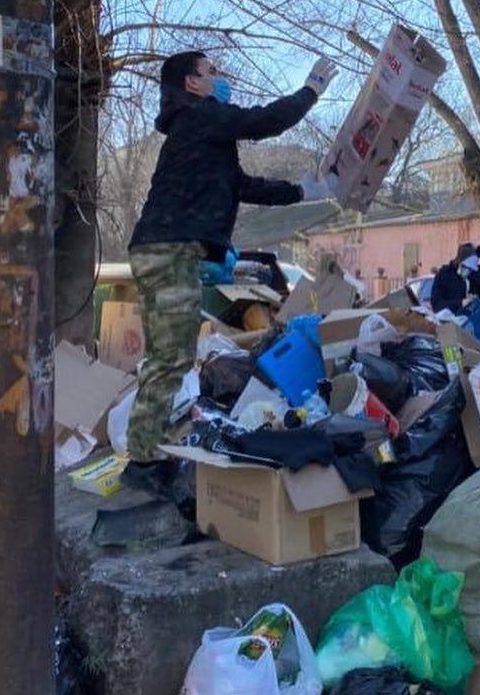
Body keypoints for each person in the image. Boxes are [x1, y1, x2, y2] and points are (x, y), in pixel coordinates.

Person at [125, 50, 337, 469]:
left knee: (171, 354)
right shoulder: (199, 116)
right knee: (171, 357)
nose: (220, 79)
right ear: (192, 83)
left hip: (164, 247)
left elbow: (241, 185)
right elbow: (263, 121)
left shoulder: (199, 129)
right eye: (211, 73)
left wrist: (301, 192)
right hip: (168, 249)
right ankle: (145, 455)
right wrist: (310, 91)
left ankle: (148, 442)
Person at [430, 242, 480, 318]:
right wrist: (461, 303)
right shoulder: (444, 275)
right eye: (466, 268)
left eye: (471, 269)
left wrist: (479, 250)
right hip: (455, 322)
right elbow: (437, 303)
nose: (468, 271)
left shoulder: (476, 274)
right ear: (460, 262)